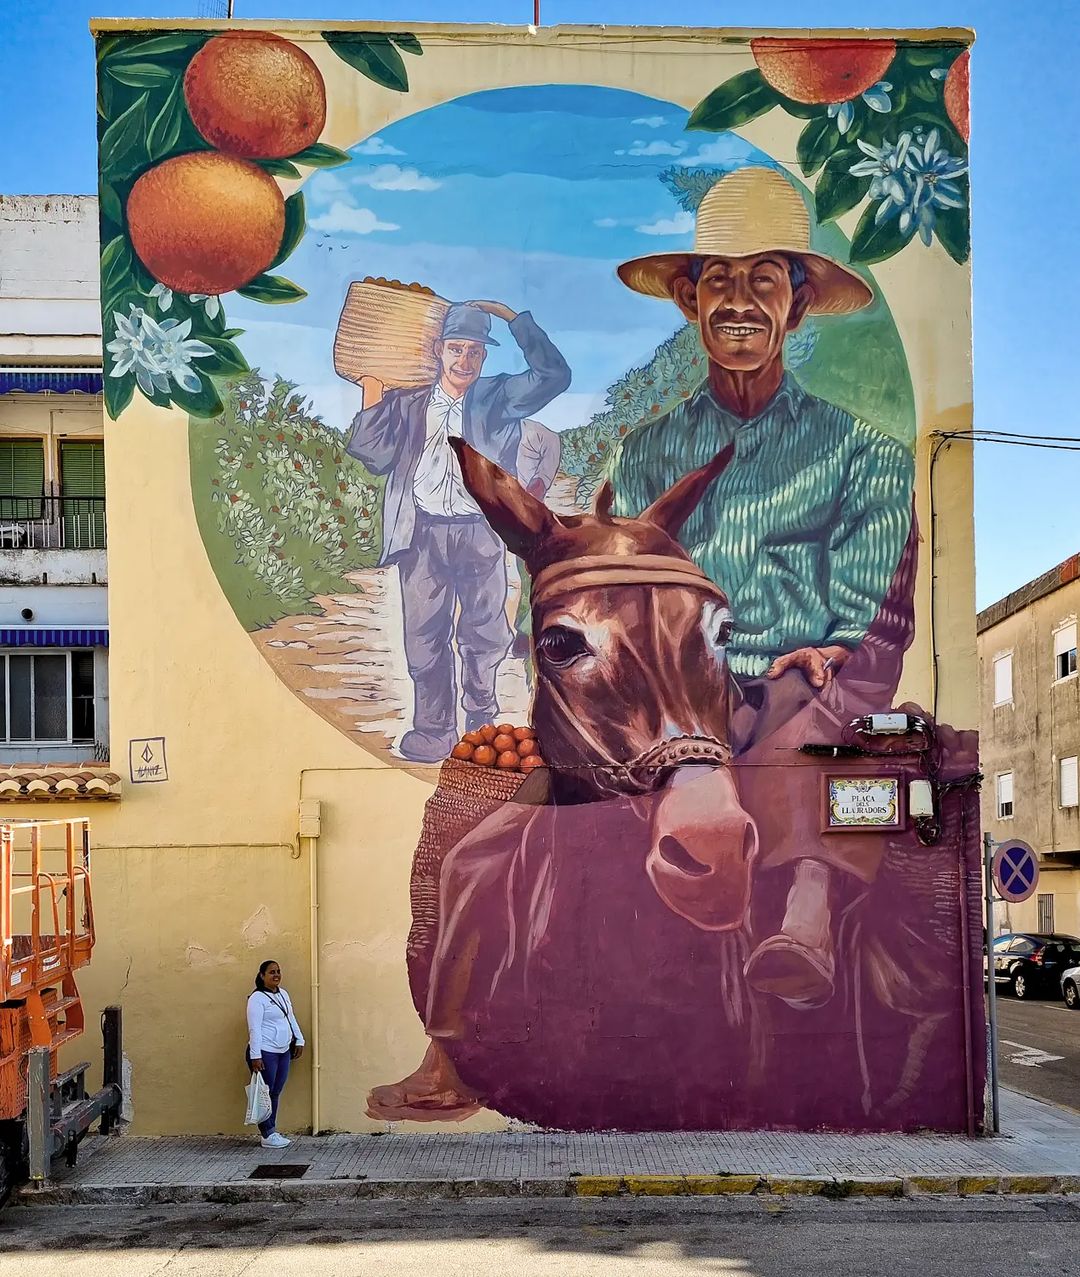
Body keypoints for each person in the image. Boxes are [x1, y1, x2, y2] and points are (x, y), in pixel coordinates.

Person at [610, 164, 916, 1008]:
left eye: (764, 279)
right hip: (688, 693)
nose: (738, 301)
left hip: (807, 688)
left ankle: (808, 908)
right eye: (718, 280)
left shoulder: (864, 453)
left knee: (824, 712)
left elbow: (873, 621)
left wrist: (834, 646)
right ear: (687, 300)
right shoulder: (647, 452)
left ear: (799, 305)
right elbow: (631, 597)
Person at [347, 301, 571, 763]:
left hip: (481, 532)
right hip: (423, 534)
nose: (465, 361)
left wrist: (515, 320)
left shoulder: (497, 398)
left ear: (485, 358)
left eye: (474, 352)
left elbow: (554, 376)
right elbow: (371, 453)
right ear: (438, 351)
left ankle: (480, 724)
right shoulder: (408, 405)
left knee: (484, 634)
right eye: (456, 349)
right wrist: (372, 391)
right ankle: (432, 731)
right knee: (423, 637)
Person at [511, 418, 562, 659]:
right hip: (479, 512)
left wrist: (539, 484)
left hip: (524, 511)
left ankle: (525, 632)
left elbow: (553, 444)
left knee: (528, 570)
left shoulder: (535, 432)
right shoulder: (477, 422)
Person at [246, 959, 304, 1149]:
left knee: (276, 1092)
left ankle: (271, 1130)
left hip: (283, 1051)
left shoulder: (283, 994)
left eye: (278, 971)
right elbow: (254, 1029)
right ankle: (267, 1133)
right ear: (262, 975)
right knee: (265, 1092)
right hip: (265, 1052)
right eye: (271, 972)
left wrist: (300, 1039)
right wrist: (256, 1056)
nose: (276, 975)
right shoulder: (257, 999)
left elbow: (291, 1017)